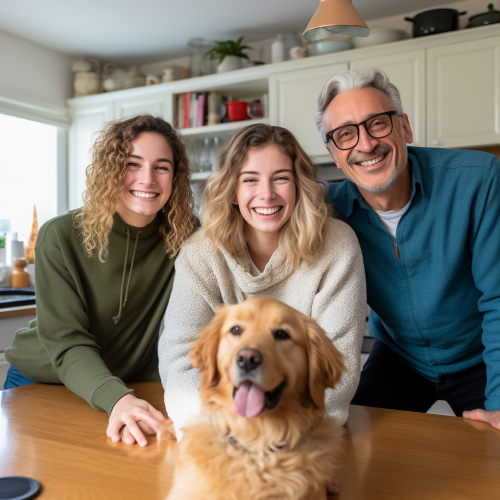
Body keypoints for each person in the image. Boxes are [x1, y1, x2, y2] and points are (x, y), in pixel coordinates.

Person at [315, 67, 500, 430]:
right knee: (349, 446)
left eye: (378, 124)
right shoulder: (326, 211)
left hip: (480, 356)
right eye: (346, 135)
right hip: (400, 359)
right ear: (334, 154)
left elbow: (498, 298)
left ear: (405, 127)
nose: (366, 145)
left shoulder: (477, 179)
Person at [158, 123, 366, 437]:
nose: (266, 194)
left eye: (281, 178)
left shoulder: (337, 245)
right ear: (232, 191)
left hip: (303, 435)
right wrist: (235, 435)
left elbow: (339, 371)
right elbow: (179, 366)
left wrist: (275, 439)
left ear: (299, 185)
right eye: (250, 180)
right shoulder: (200, 252)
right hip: (217, 433)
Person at [5, 114, 199, 446]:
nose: (147, 179)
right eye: (132, 164)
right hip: (43, 382)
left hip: (123, 387)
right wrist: (117, 399)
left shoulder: (187, 236)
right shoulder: (60, 236)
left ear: (176, 177)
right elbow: (67, 341)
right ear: (110, 169)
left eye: (162, 167)